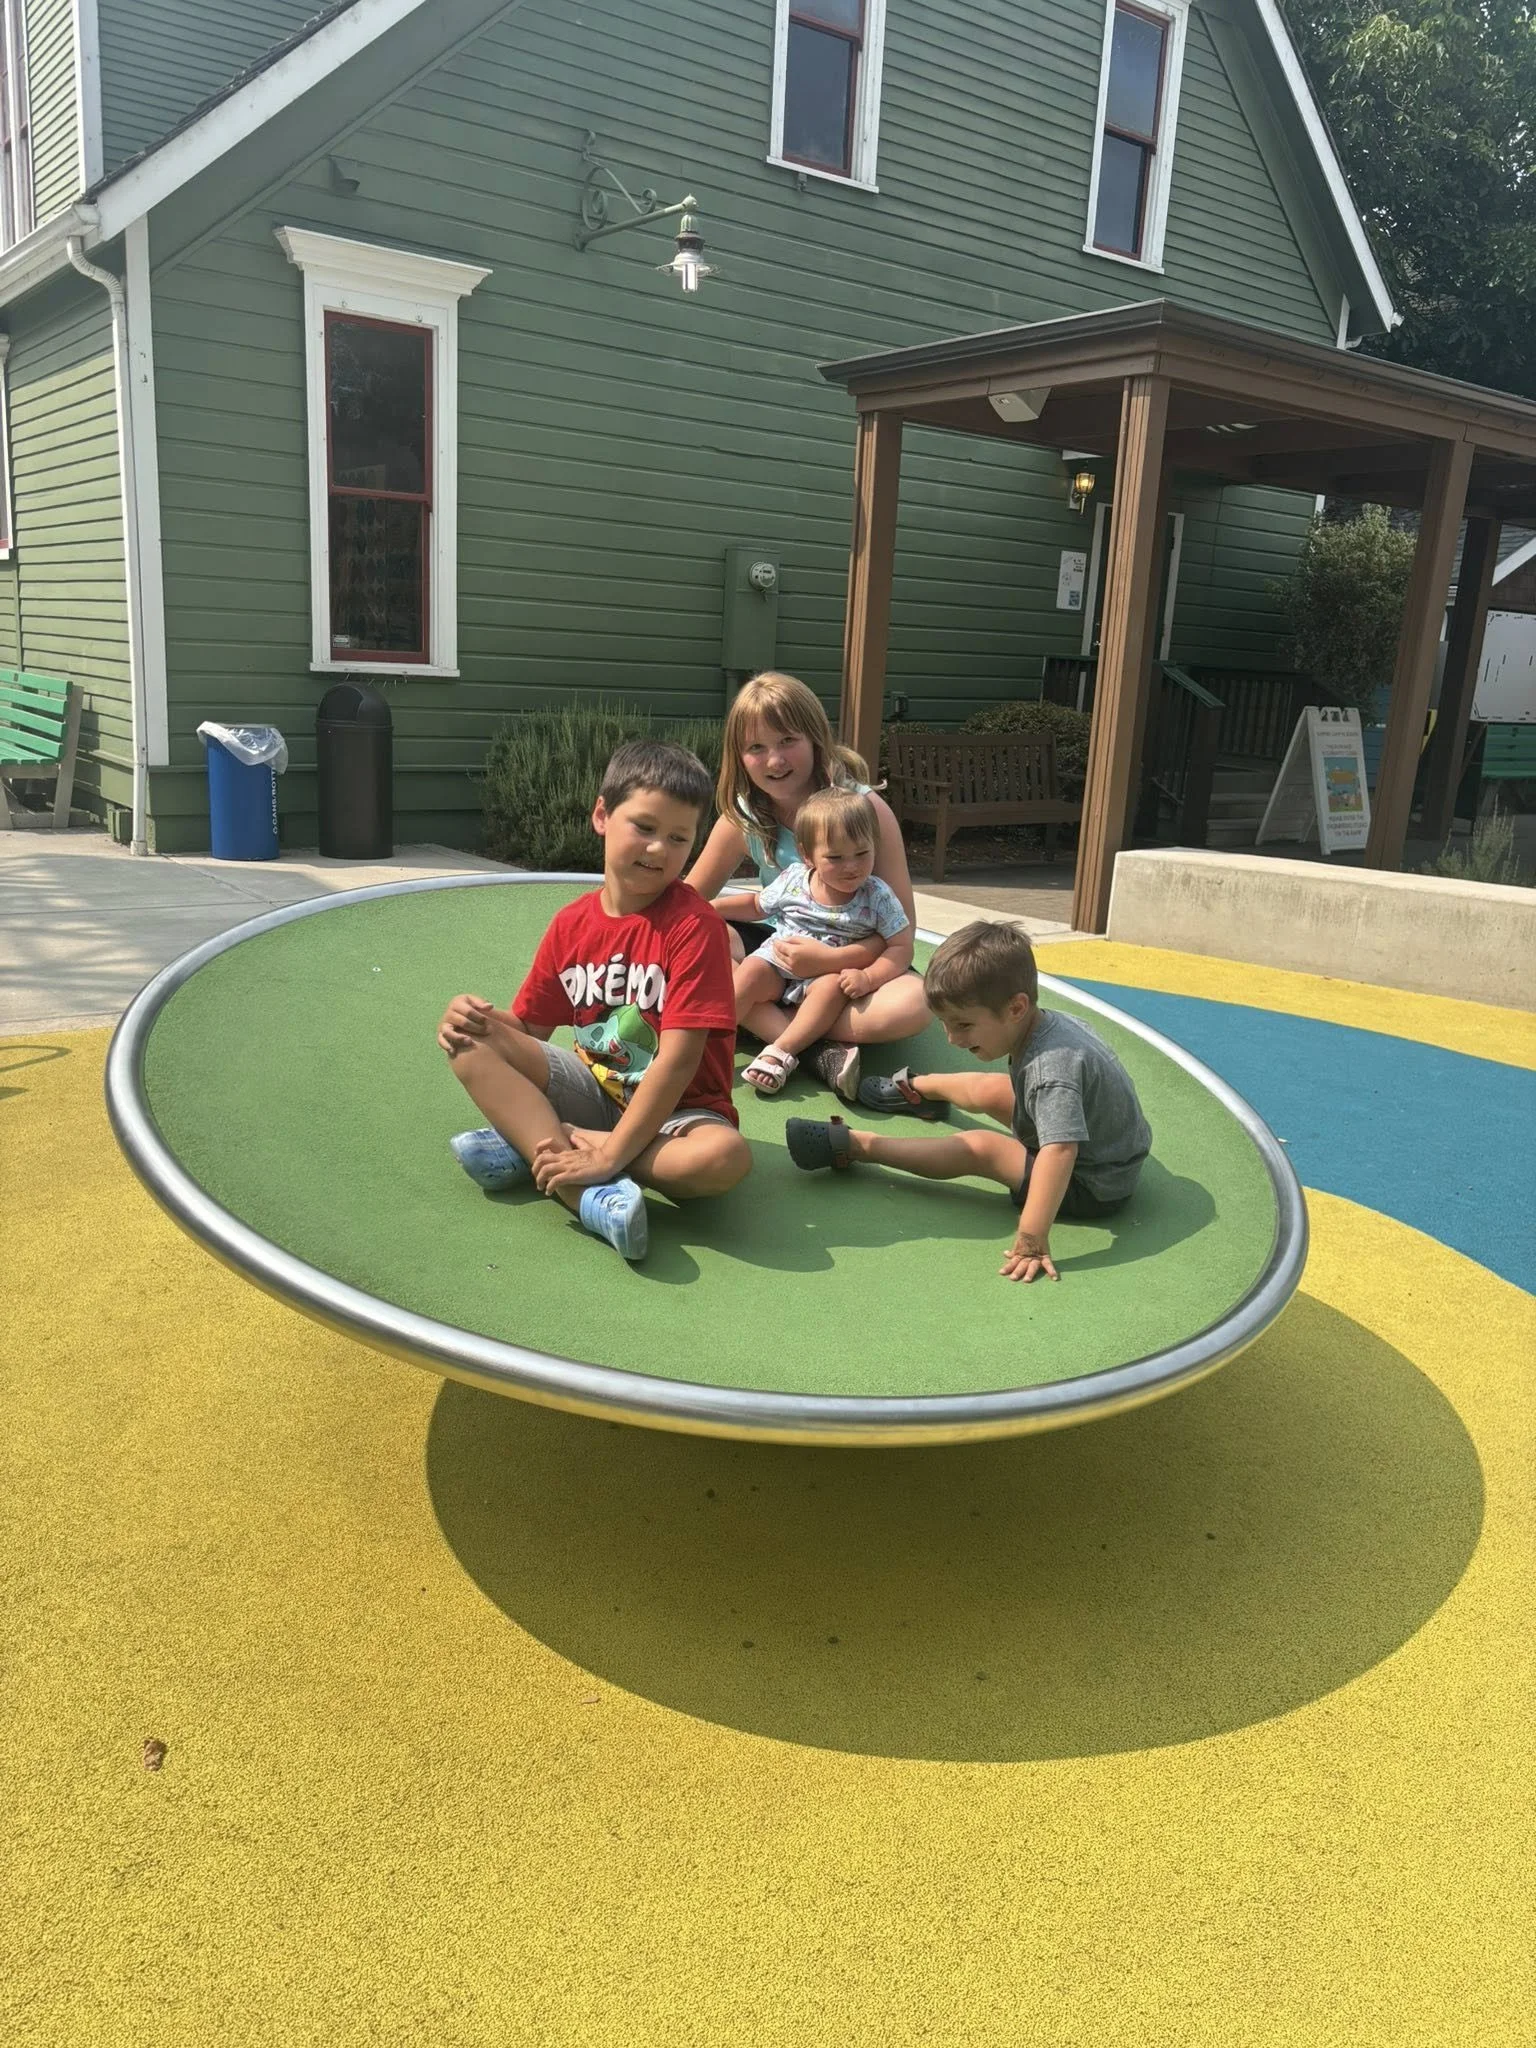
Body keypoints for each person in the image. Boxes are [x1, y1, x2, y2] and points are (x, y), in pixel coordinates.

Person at [437, 739, 751, 1263]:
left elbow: (679, 1060)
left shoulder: (695, 926)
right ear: (602, 815)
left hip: (680, 1112)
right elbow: (528, 1031)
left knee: (724, 1159)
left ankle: (535, 1145)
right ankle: (583, 1192)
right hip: (593, 1090)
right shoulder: (571, 925)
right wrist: (473, 1018)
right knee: (470, 1038)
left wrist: (609, 1152)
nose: (659, 849)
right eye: (645, 828)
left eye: (678, 838)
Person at [784, 921, 1151, 1284]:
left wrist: (1032, 1240)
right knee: (990, 1088)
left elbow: (1060, 1153)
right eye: (945, 1024)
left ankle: (856, 1145)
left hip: (1092, 1183)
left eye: (963, 1025)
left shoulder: (1050, 1071)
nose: (951, 1039)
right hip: (1095, 1143)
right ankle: (917, 1089)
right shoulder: (1047, 1027)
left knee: (981, 1147)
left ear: (1016, 1008)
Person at [685, 671, 930, 1084]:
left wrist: (831, 961)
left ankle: (769, 1028)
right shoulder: (743, 817)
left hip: (853, 964)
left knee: (915, 1004)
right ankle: (815, 1050)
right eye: (756, 748)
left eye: (788, 741)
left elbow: (899, 930)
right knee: (696, 934)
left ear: (816, 739)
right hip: (776, 953)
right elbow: (690, 899)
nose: (775, 761)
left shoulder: (866, 810)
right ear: (739, 756)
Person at [715, 787, 914, 1099]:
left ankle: (781, 1052)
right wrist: (711, 908)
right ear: (808, 856)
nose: (852, 866)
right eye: (835, 857)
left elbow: (901, 946)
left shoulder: (877, 895)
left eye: (862, 853)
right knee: (750, 972)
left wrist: (868, 977)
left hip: (828, 976)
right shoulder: (795, 879)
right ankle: (710, 1045)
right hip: (778, 961)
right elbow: (757, 905)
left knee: (829, 990)